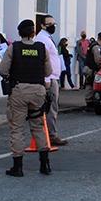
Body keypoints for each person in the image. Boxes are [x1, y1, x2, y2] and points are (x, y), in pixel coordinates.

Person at [0, 19, 53, 176]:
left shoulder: (13, 48)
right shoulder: (42, 48)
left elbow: (2, 70)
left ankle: (18, 167)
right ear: (33, 33)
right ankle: (45, 165)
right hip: (38, 91)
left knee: (17, 128)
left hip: (19, 91)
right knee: (38, 126)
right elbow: (48, 72)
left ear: (19, 33)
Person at [35, 16, 67, 147]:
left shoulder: (47, 38)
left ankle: (49, 134)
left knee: (52, 107)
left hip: (54, 76)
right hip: (49, 78)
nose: (53, 26)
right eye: (49, 24)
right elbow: (42, 60)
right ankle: (51, 135)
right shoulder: (42, 39)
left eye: (54, 23)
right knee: (51, 108)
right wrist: (47, 78)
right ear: (42, 25)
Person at [84, 32, 101, 110]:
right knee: (90, 85)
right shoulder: (96, 47)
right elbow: (97, 60)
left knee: (89, 84)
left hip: (88, 68)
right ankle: (89, 103)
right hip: (91, 69)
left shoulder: (92, 45)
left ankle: (89, 102)